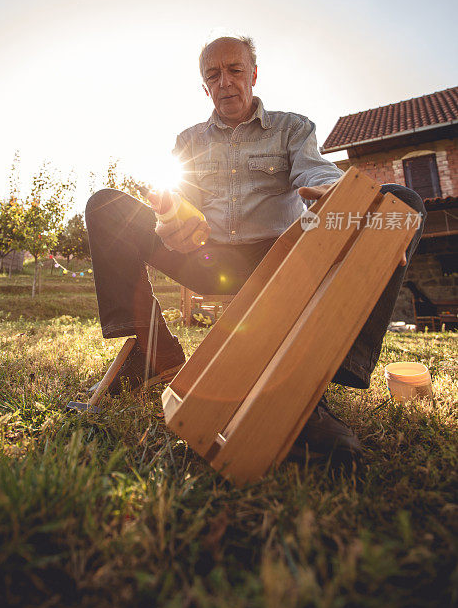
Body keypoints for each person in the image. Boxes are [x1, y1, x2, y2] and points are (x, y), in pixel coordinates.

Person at [85, 35, 426, 461]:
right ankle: (152, 351)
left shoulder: (292, 128)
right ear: (203, 86)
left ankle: (323, 372)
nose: (225, 81)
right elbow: (178, 203)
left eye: (235, 70)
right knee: (106, 205)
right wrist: (170, 222)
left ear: (254, 75)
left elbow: (317, 171)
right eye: (213, 75)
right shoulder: (188, 140)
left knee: (402, 204)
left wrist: (345, 202)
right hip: (207, 256)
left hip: (279, 260)